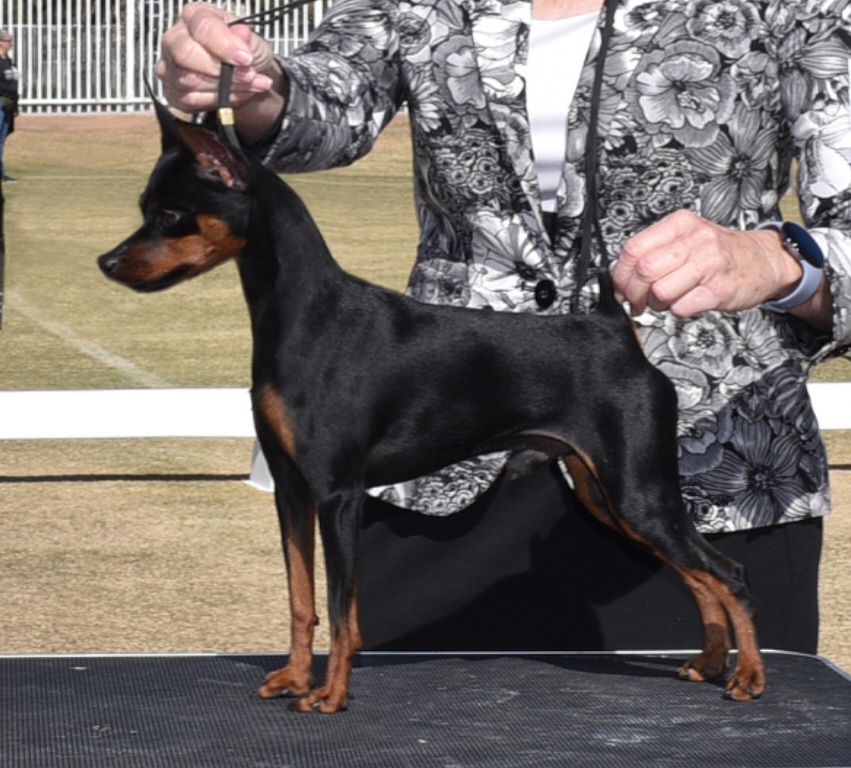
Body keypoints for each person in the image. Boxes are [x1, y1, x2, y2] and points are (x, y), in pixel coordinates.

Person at [157, 0, 851, 654]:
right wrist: (253, 85)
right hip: (439, 466)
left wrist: (782, 261)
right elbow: (325, 99)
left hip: (711, 470)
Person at [0, 29, 19, 183]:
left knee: (2, 139)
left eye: (10, 40)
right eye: (7, 40)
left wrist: (15, 105)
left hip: (8, 103)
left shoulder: (9, 60)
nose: (10, 43)